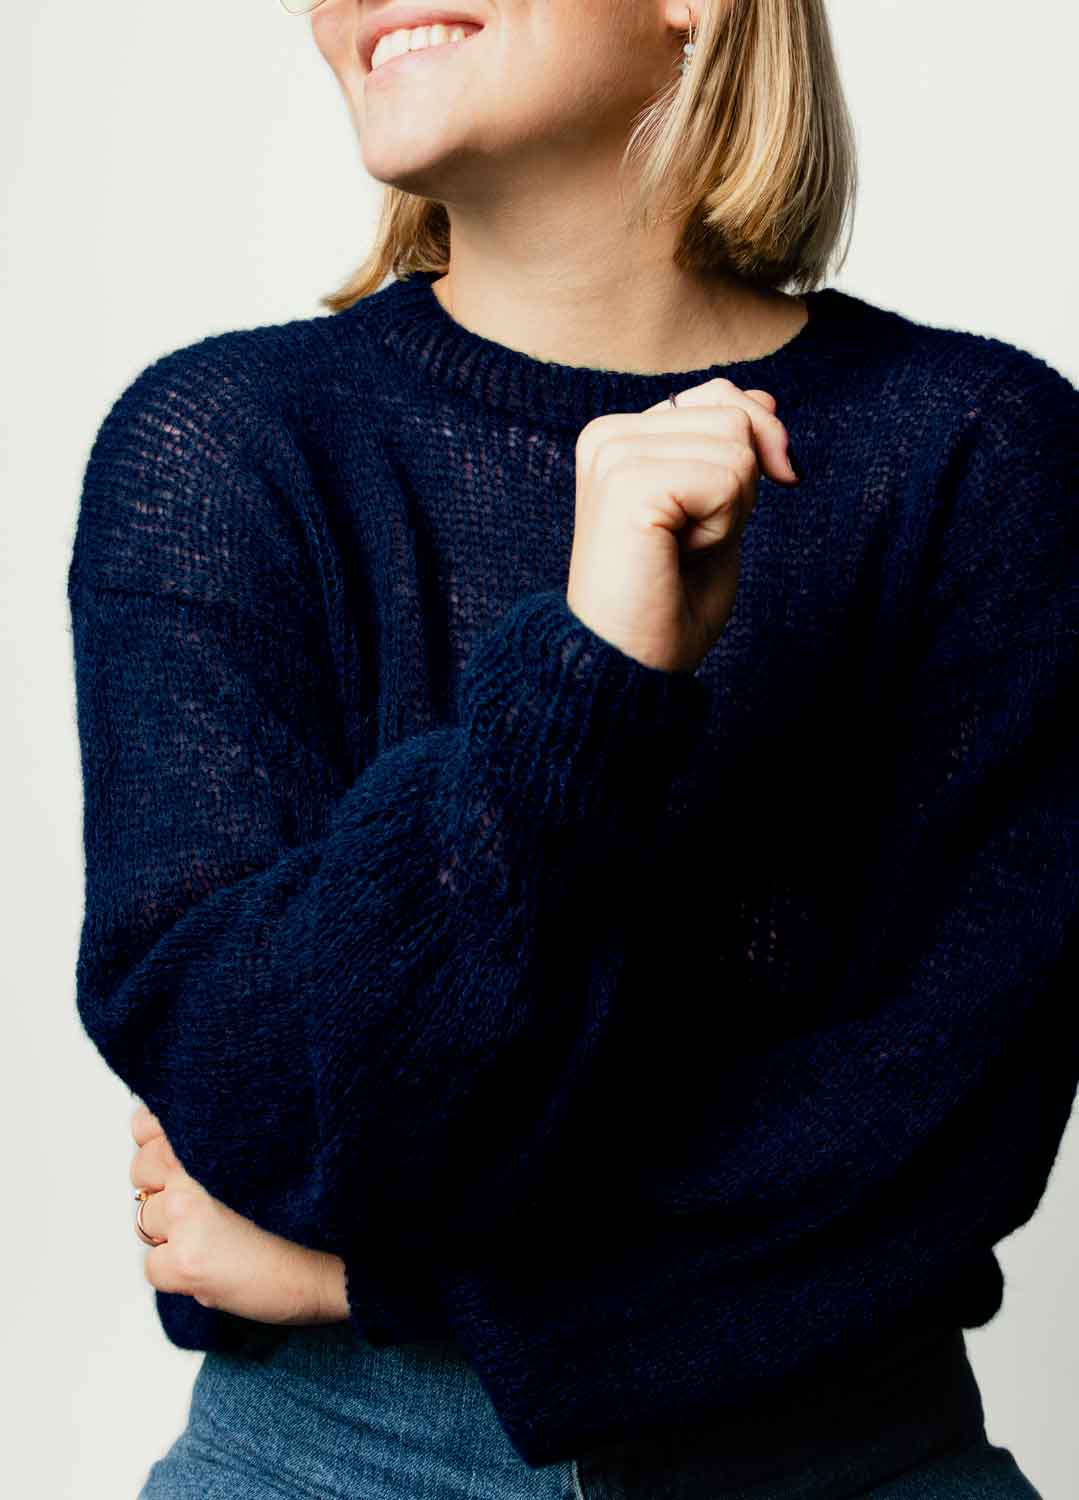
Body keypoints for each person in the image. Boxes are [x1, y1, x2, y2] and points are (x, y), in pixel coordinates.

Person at [66, 1, 1076, 1496]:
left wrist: (380, 1283)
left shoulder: (984, 454)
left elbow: (945, 1139)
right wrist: (591, 669)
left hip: (852, 1460)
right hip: (329, 1465)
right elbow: (257, 1096)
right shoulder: (219, 446)